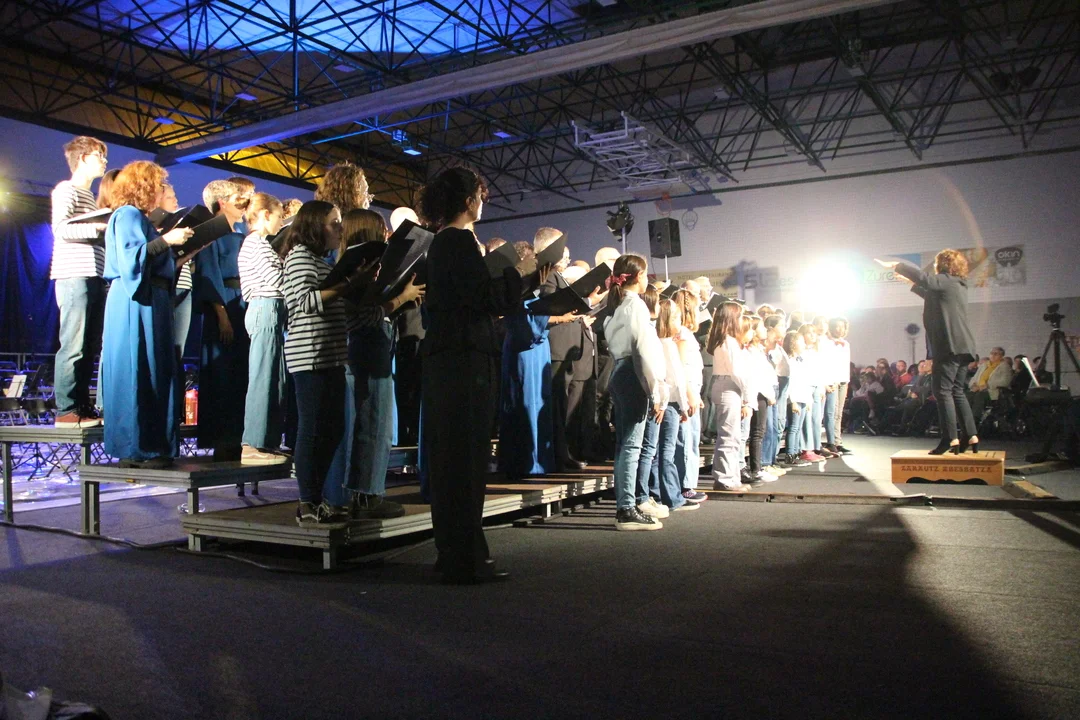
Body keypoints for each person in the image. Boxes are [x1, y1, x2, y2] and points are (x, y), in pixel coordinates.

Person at [420, 167, 537, 581]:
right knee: (464, 463)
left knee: (458, 461)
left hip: (455, 358)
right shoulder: (457, 241)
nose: (483, 203)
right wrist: (518, 272)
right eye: (481, 196)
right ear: (470, 201)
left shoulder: (445, 242)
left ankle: (459, 555)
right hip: (463, 359)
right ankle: (464, 559)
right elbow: (483, 299)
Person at [281, 201, 376, 524]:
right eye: (333, 223)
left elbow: (341, 308)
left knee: (332, 431)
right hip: (310, 357)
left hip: (331, 356)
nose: (339, 229)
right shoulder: (299, 257)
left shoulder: (322, 262)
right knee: (312, 430)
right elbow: (306, 302)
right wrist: (349, 284)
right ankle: (307, 502)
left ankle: (317, 498)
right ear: (314, 227)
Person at [100, 161, 193, 467]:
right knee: (140, 367)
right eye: (156, 185)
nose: (160, 191)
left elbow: (152, 259)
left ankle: (142, 447)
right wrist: (167, 240)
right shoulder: (127, 214)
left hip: (149, 297)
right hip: (137, 299)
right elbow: (132, 260)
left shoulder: (139, 218)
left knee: (149, 367)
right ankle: (141, 448)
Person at [339, 208, 423, 519]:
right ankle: (368, 495)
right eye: (381, 231)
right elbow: (364, 315)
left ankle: (365, 493)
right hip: (368, 351)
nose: (386, 236)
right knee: (375, 425)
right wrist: (401, 298)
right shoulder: (358, 272)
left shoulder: (355, 269)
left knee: (373, 424)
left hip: (369, 348)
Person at [879, 252, 980, 454]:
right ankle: (970, 434)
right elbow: (931, 295)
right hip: (963, 347)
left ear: (942, 264)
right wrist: (911, 283)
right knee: (957, 391)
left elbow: (926, 280)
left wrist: (898, 265)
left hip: (948, 347)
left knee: (942, 391)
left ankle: (950, 438)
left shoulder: (945, 280)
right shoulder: (957, 284)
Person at [51, 136, 110, 428]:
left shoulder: (89, 197)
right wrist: (98, 227)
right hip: (74, 274)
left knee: (89, 344)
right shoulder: (66, 189)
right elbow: (61, 229)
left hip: (94, 274)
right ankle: (66, 408)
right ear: (84, 158)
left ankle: (83, 406)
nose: (104, 161)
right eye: (100, 155)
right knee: (73, 344)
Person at [604, 253, 666, 529]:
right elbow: (644, 352)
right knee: (631, 445)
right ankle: (626, 508)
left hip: (620, 371)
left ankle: (626, 504)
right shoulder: (636, 305)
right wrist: (657, 392)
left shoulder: (618, 305)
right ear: (639, 276)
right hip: (632, 373)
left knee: (624, 445)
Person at [194, 178, 251, 461]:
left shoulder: (240, 231)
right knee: (222, 373)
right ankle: (222, 439)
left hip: (241, 302)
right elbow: (208, 273)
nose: (243, 204)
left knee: (240, 373)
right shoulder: (210, 232)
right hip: (224, 303)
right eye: (236, 199)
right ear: (222, 203)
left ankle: (240, 435)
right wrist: (222, 314)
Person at [498, 241, 558, 479]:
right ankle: (525, 463)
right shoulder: (515, 290)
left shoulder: (531, 289)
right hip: (524, 349)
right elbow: (525, 326)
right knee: (524, 403)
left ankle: (538, 461)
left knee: (537, 402)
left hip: (537, 348)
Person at [237, 192, 288, 464]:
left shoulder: (263, 244)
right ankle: (252, 443)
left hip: (273, 310)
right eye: (279, 216)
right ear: (266, 214)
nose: (281, 222)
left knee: (275, 379)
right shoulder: (255, 243)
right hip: (265, 308)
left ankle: (267, 441)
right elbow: (277, 279)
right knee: (262, 378)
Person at [707, 301, 755, 490]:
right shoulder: (727, 341)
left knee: (733, 436)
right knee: (728, 436)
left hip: (728, 386)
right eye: (740, 316)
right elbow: (738, 372)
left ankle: (732, 478)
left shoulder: (728, 340)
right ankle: (724, 479)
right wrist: (748, 399)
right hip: (728, 386)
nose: (742, 320)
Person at [654, 299, 696, 511]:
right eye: (677, 318)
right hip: (669, 403)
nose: (680, 323)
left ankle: (657, 495)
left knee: (656, 453)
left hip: (662, 402)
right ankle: (672, 498)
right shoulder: (668, 345)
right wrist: (684, 406)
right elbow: (677, 380)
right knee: (667, 453)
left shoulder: (656, 343)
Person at [672, 289, 707, 503]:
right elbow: (681, 366)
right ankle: (685, 486)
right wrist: (690, 394)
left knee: (690, 438)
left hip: (691, 387)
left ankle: (687, 483)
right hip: (687, 388)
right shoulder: (682, 334)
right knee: (686, 439)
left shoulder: (684, 333)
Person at [823, 317, 853, 455]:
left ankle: (838, 441)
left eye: (842, 326)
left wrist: (847, 380)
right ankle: (831, 442)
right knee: (832, 412)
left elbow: (845, 363)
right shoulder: (827, 343)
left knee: (839, 413)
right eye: (836, 326)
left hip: (843, 380)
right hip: (832, 381)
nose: (839, 329)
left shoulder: (846, 344)